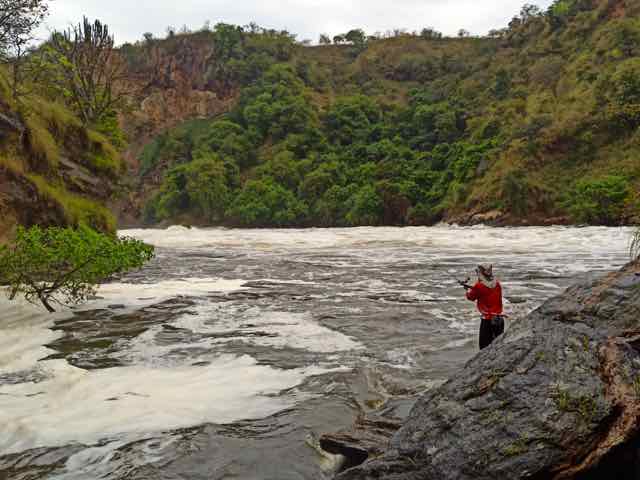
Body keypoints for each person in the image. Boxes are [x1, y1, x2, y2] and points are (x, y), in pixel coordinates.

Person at [464, 264, 504, 350]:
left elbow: (471, 297)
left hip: (487, 321)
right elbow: (488, 292)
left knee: (484, 349)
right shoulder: (497, 283)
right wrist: (474, 288)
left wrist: (467, 290)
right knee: (498, 348)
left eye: (478, 272)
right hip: (499, 319)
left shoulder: (479, 286)